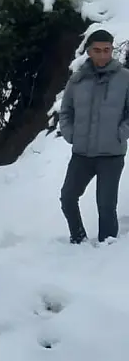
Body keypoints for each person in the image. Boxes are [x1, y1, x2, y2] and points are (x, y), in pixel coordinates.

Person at [59, 29, 129, 244]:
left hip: (111, 154)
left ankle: (106, 249)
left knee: (106, 206)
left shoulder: (125, 78)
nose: (102, 55)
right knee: (68, 198)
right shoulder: (78, 79)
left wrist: (121, 133)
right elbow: (66, 111)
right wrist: (71, 134)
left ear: (112, 50)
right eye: (97, 50)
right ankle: (78, 239)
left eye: (107, 50)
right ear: (89, 52)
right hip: (82, 153)